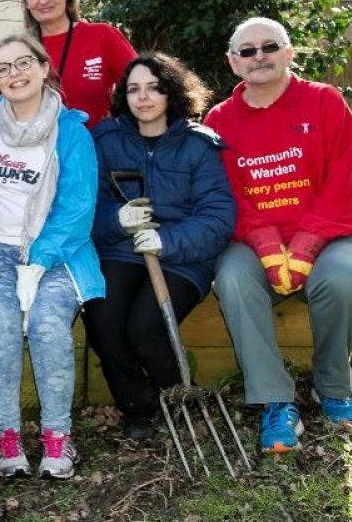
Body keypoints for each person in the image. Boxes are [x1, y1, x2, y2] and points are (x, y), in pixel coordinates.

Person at [204, 17, 352, 455]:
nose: (259, 56)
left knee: (342, 279)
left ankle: (332, 386)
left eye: (269, 46)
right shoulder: (219, 119)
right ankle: (275, 400)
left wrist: (307, 243)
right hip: (253, 241)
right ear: (233, 63)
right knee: (234, 280)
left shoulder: (325, 102)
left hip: (329, 234)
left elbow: (346, 180)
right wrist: (264, 242)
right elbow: (226, 195)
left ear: (289, 53)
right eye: (247, 51)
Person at [0, 33, 105, 480]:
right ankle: (6, 434)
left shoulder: (71, 132)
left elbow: (78, 207)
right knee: (2, 324)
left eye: (23, 63)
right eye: (3, 68)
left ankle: (57, 437)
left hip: (58, 250)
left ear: (44, 67)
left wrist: (40, 260)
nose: (15, 74)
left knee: (47, 324)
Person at [87, 53, 235, 440]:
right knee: (102, 319)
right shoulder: (105, 141)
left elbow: (218, 217)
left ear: (172, 93)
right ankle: (140, 406)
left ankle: (180, 401)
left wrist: (167, 240)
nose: (144, 97)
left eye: (154, 88)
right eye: (134, 89)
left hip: (184, 259)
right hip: (121, 250)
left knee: (144, 327)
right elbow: (85, 207)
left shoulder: (199, 146)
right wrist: (116, 219)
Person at [0, 0, 136, 129]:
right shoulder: (17, 51)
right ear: (26, 2)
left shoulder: (103, 36)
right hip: (33, 151)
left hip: (96, 150)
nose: (43, 0)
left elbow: (143, 86)